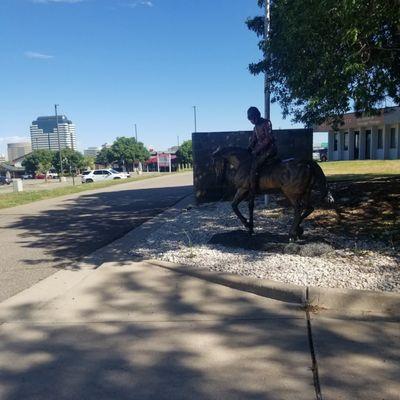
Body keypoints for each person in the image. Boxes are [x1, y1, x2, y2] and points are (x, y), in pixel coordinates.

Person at [247, 106, 277, 194]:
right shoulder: (255, 128)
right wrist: (248, 149)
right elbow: (253, 140)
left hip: (270, 149)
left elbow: (268, 139)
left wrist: (257, 150)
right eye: (251, 119)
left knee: (255, 165)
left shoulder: (266, 123)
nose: (252, 121)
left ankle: (254, 188)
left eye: (253, 118)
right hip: (261, 151)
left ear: (257, 115)